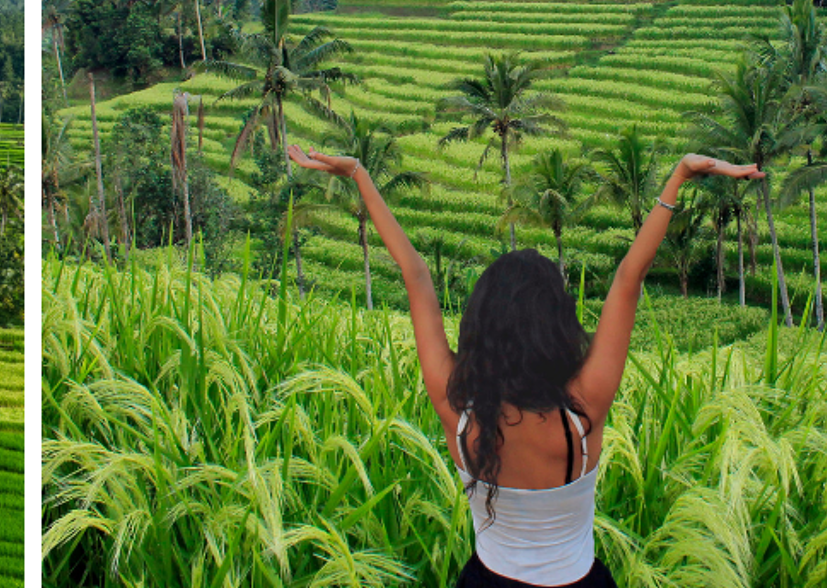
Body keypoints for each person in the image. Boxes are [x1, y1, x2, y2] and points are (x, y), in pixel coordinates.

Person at [289, 145, 764, 588]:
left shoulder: (459, 407)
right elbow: (628, 278)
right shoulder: (583, 409)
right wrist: (678, 176)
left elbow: (415, 274)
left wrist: (358, 173)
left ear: (480, 324)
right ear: (556, 324)